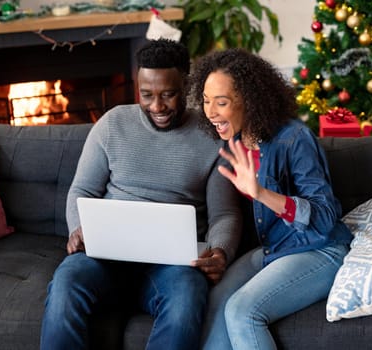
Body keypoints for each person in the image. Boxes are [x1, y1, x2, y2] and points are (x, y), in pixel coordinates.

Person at [40, 39, 242, 350]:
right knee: (66, 283)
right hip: (105, 256)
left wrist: (221, 252)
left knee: (187, 296)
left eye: (168, 95)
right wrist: (78, 230)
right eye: (146, 95)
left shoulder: (212, 137)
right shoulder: (112, 124)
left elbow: (224, 214)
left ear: (187, 86)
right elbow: (82, 190)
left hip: (172, 266)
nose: (157, 106)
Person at [190, 48, 353, 349]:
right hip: (274, 248)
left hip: (319, 249)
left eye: (221, 102)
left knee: (242, 311)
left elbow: (325, 217)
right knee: (214, 301)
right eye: (206, 100)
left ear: (249, 102)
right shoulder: (235, 142)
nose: (211, 112)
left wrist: (262, 194)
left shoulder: (295, 138)